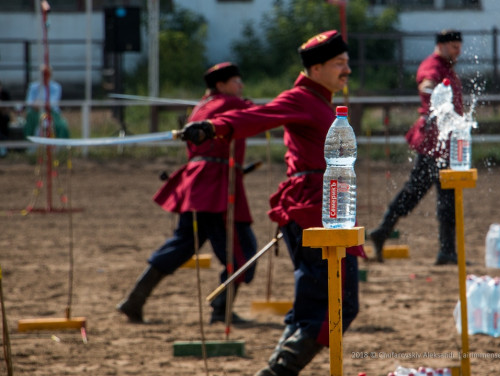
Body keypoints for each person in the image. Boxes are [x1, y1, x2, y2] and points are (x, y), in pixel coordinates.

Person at [180, 30, 365, 376]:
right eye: (340, 63)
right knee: (337, 305)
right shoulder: (300, 98)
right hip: (313, 211)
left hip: (322, 207)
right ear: (316, 67)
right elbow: (256, 117)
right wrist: (213, 127)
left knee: (314, 304)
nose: (347, 70)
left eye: (348, 63)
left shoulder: (321, 100)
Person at [117, 62, 258, 325]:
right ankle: (221, 309)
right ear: (221, 85)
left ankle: (135, 299)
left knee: (181, 245)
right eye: (236, 81)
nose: (241, 86)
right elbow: (260, 116)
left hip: (196, 185)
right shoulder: (229, 103)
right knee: (242, 251)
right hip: (215, 186)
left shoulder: (201, 107)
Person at [369, 29, 463, 265]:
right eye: (453, 46)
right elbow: (427, 84)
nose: (458, 51)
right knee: (416, 191)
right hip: (434, 141)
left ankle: (447, 251)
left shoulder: (447, 67)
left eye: (459, 47)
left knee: (447, 195)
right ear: (441, 46)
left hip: (445, 141)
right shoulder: (432, 65)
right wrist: (434, 93)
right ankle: (383, 230)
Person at [24, 64, 70, 138]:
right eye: (43, 74)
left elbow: (52, 103)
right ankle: (29, 147)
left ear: (50, 74)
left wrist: (39, 103)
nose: (44, 76)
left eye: (47, 73)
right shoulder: (33, 87)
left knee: (61, 125)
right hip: (35, 113)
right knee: (30, 125)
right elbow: (29, 102)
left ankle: (62, 146)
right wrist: (37, 105)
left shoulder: (56, 87)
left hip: (52, 113)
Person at [0, 80, 11, 156]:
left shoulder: (5, 94)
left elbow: (7, 110)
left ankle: (4, 150)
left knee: (5, 118)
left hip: (3, 118)